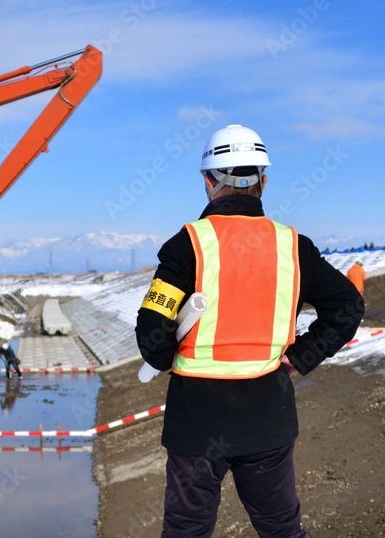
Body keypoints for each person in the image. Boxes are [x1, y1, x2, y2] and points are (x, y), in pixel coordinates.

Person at [135, 123, 364, 538]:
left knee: (187, 530)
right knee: (281, 529)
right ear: (264, 181)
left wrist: (167, 355)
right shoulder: (293, 246)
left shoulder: (188, 245)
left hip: (197, 424)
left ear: (208, 181)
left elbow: (153, 333)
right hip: (267, 418)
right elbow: (347, 307)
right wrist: (300, 357)